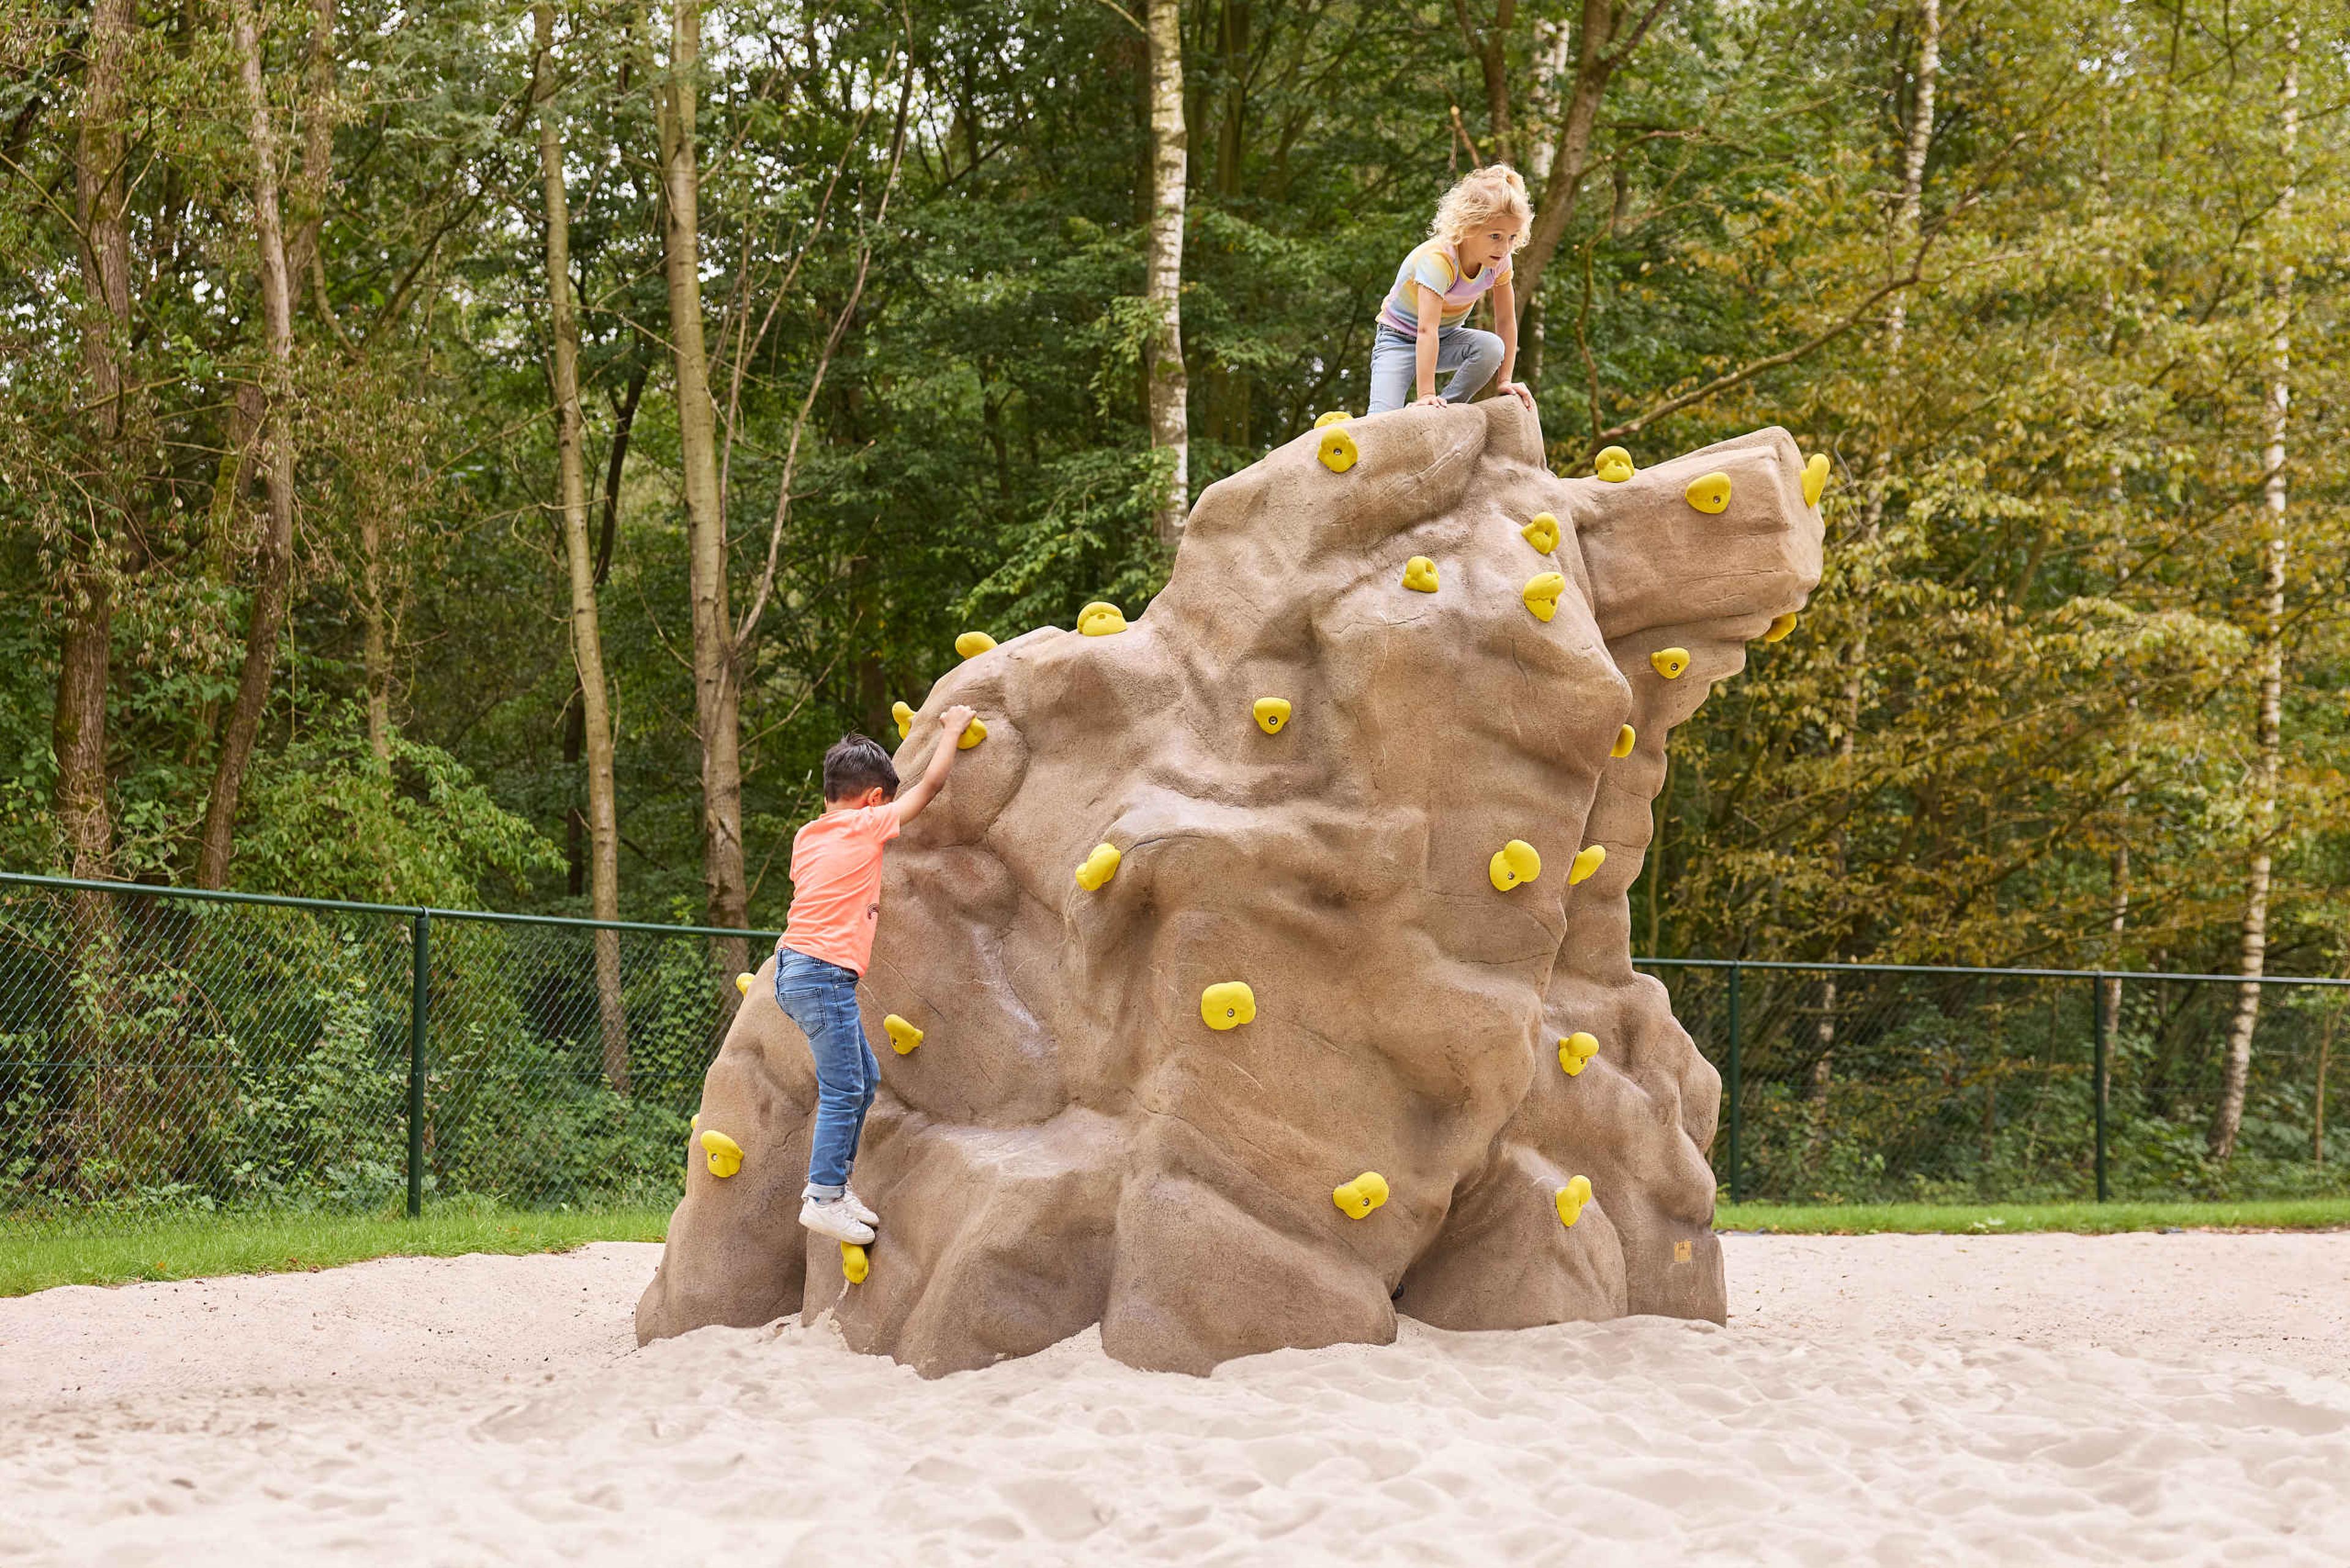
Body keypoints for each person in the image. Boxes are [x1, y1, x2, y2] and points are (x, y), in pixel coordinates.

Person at [772, 705, 976, 1245]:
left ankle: (835, 1188)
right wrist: (951, 730)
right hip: (821, 975)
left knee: (864, 1082)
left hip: (797, 970)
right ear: (871, 801)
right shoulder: (865, 825)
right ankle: (822, 1196)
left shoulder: (808, 836)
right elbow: (929, 787)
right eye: (883, 802)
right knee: (845, 1090)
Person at [1366, 164, 1539, 416]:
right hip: (1398, 339)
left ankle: (1444, 413)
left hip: (1446, 338)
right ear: (1469, 226)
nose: (1504, 247)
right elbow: (1426, 330)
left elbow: (1506, 321)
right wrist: (1426, 394)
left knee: (1491, 347)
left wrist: (1504, 380)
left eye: (1512, 237)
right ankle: (1426, 405)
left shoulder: (1499, 261)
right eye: (1495, 236)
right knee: (1380, 421)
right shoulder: (1439, 260)